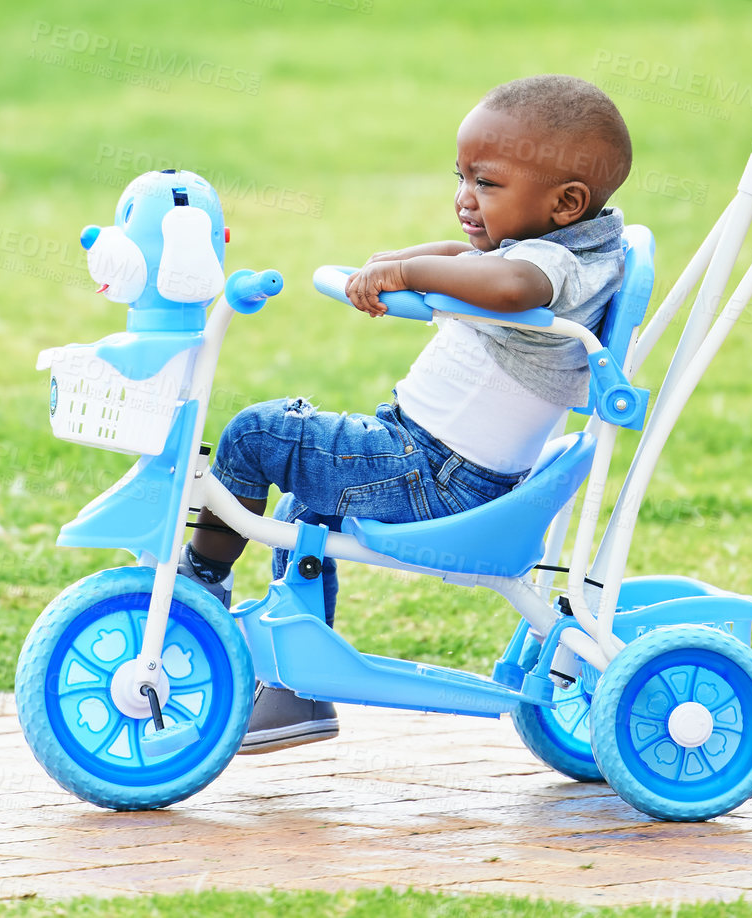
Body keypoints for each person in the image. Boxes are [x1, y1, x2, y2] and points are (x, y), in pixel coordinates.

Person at [181, 74, 633, 754]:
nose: (462, 198)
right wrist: (400, 260)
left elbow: (508, 281)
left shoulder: (551, 266)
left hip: (434, 473)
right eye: (459, 177)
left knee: (257, 434)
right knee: (302, 514)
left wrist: (407, 276)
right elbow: (473, 258)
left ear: (565, 202)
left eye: (485, 183)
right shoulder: (568, 241)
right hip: (431, 460)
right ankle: (298, 691)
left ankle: (200, 582)